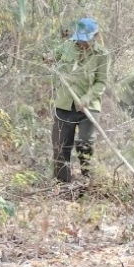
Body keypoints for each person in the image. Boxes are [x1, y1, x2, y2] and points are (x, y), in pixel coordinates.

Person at [50, 17, 111, 183]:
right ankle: (62, 182)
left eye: (86, 40)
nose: (82, 44)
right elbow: (52, 56)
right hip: (64, 103)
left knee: (85, 142)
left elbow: (101, 82)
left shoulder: (102, 55)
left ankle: (87, 178)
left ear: (95, 36)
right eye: (80, 40)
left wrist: (87, 98)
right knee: (61, 144)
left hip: (89, 105)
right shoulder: (67, 46)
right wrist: (48, 58)